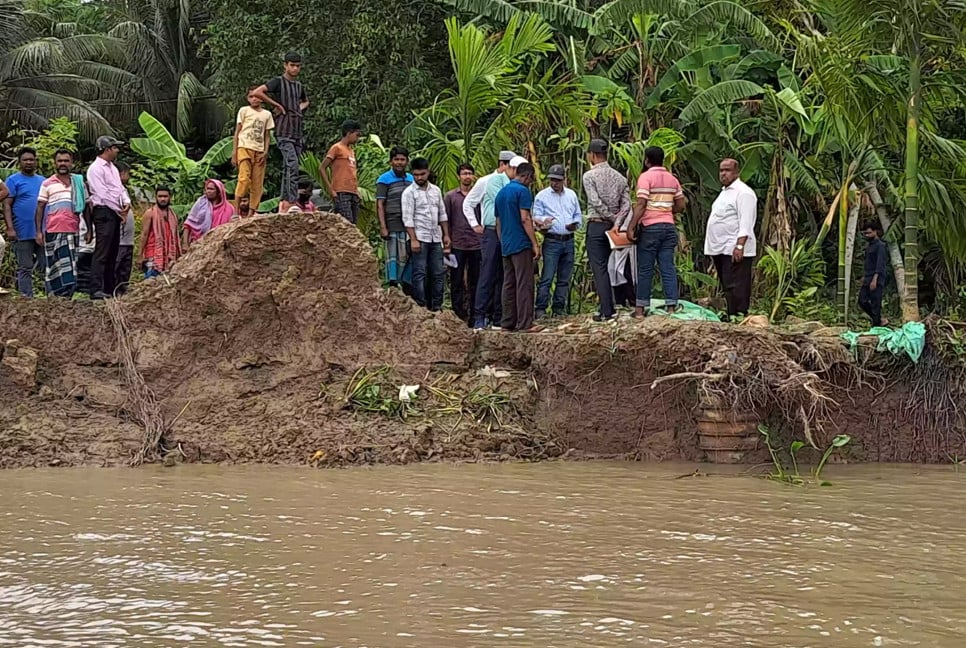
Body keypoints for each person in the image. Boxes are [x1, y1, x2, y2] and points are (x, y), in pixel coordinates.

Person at [464, 151, 525, 330]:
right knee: (487, 273)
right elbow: (469, 203)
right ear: (505, 165)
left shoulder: (516, 184)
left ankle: (499, 316)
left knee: (504, 275)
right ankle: (479, 316)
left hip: (507, 232)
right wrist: (475, 225)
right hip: (491, 231)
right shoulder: (487, 181)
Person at [626, 146, 686, 316]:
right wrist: (667, 211)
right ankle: (671, 306)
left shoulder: (645, 178)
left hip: (650, 228)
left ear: (646, 160)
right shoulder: (672, 179)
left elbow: (641, 204)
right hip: (668, 227)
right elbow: (681, 205)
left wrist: (631, 227)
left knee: (645, 269)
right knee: (667, 266)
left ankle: (639, 309)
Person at [252, 52, 308, 211]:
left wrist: (297, 109)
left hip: (297, 131)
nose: (295, 68)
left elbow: (306, 101)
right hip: (284, 131)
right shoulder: (278, 82)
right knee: (292, 164)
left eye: (298, 66)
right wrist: (277, 105)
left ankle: (284, 201)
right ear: (285, 65)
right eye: (292, 65)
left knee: (288, 167)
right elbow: (258, 92)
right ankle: (291, 200)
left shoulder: (298, 86)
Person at [582, 138, 630, 322]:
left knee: (599, 268)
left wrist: (610, 216)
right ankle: (613, 305)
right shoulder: (620, 177)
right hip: (613, 229)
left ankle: (606, 310)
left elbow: (594, 201)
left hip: (596, 224)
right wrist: (617, 222)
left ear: (592, 155)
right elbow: (626, 204)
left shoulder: (589, 176)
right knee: (610, 266)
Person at [705, 158, 758, 317]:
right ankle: (731, 314)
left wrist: (740, 245)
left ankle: (740, 314)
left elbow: (746, 222)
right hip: (720, 248)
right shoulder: (724, 193)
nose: (723, 174)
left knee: (738, 285)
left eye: (727, 170)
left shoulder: (744, 193)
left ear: (737, 172)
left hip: (734, 247)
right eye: (721, 170)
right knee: (727, 284)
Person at [33, 148, 89, 298]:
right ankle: (54, 298)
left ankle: (67, 297)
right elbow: (40, 208)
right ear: (55, 163)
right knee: (54, 265)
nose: (63, 164)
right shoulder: (47, 183)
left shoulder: (79, 183)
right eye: (60, 161)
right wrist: (38, 231)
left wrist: (89, 229)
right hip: (53, 230)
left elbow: (87, 207)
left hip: (73, 230)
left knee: (70, 267)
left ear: (72, 163)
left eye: (66, 161)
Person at [496, 162, 541, 332]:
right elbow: (525, 218)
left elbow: (498, 222)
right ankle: (525, 323)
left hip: (506, 243)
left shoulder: (501, 193)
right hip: (520, 242)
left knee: (509, 283)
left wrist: (502, 241)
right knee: (524, 283)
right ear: (527, 176)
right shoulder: (523, 191)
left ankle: (507, 322)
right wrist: (534, 243)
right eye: (531, 179)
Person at [533, 164, 582, 320]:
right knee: (547, 276)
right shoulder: (542, 196)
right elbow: (536, 216)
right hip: (552, 240)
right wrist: (543, 221)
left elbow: (578, 215)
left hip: (568, 240)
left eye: (558, 180)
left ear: (564, 180)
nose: (554, 183)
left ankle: (558, 308)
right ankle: (540, 308)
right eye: (552, 180)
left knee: (564, 278)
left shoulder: (571, 195)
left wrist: (574, 224)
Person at [401, 157, 449, 311]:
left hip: (435, 237)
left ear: (428, 172)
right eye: (416, 175)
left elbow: (442, 214)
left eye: (422, 174)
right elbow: (407, 218)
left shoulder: (436, 190)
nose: (419, 178)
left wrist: (446, 235)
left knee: (438, 273)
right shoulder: (409, 193)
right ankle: (421, 306)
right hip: (419, 237)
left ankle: (436, 306)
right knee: (419, 273)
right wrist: (413, 239)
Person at [87, 135, 129, 299]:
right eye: (115, 147)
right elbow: (101, 193)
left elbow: (119, 188)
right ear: (107, 149)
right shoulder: (95, 169)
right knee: (102, 251)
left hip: (114, 211)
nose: (117, 150)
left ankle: (109, 287)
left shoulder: (112, 168)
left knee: (112, 251)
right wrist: (119, 210)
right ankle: (96, 288)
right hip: (104, 211)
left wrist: (126, 202)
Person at [4, 148, 44, 297]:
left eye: (31, 159)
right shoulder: (13, 180)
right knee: (25, 267)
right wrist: (10, 228)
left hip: (41, 231)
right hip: (21, 231)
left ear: (35, 161)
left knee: (45, 265)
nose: (28, 162)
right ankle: (26, 298)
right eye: (25, 160)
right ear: (19, 162)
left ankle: (48, 297)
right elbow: (7, 205)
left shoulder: (43, 181)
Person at [445, 163, 482, 324]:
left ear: (473, 176)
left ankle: (475, 315)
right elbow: (445, 220)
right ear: (458, 176)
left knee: (476, 281)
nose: (467, 176)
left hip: (476, 245)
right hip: (456, 245)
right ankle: (458, 315)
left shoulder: (479, 196)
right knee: (456, 280)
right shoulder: (450, 196)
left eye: (469, 173)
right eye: (464, 173)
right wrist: (446, 241)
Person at [232, 86, 274, 213]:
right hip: (244, 147)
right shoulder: (244, 111)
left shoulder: (267, 114)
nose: (254, 99)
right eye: (251, 96)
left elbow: (267, 135)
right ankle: (235, 211)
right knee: (244, 178)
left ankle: (252, 212)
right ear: (247, 99)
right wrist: (234, 152)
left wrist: (266, 151)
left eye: (257, 96)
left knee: (257, 183)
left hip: (259, 151)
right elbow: (237, 131)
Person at [376, 146, 413, 287]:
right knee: (393, 257)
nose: (399, 162)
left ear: (407, 161)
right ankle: (393, 286)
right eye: (396, 159)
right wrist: (383, 227)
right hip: (392, 224)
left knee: (407, 256)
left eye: (402, 159)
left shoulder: (411, 179)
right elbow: (380, 204)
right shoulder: (384, 179)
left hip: (409, 226)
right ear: (391, 161)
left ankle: (406, 285)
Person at [321, 120, 362, 225]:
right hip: (341, 191)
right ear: (349, 133)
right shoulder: (337, 148)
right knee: (346, 223)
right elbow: (322, 168)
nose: (357, 138)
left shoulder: (351, 151)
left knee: (354, 225)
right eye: (356, 135)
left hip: (353, 191)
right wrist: (331, 190)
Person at [139, 186, 182, 279]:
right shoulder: (149, 213)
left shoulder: (173, 215)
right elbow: (144, 234)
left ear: (170, 197)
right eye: (160, 196)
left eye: (165, 196)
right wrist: (140, 255)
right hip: (153, 254)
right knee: (150, 283)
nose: (163, 199)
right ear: (156, 197)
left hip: (169, 255)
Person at [183, 179, 234, 246]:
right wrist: (185, 244)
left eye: (211, 189)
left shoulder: (229, 209)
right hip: (198, 244)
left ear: (219, 191)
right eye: (207, 189)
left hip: (219, 246)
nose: (208, 191)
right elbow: (188, 224)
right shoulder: (200, 203)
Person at [859, 220, 888, 327]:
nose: (867, 235)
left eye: (869, 233)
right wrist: (865, 276)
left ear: (875, 232)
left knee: (876, 302)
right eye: (865, 233)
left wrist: (875, 279)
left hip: (877, 278)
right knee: (862, 300)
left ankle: (877, 324)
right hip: (868, 277)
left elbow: (880, 264)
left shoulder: (880, 246)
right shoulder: (869, 246)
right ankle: (878, 319)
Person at [114, 162, 135, 296]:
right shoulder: (115, 191)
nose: (128, 176)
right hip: (119, 241)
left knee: (125, 269)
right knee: (116, 268)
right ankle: (113, 292)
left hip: (128, 241)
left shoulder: (124, 190)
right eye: (127, 173)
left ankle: (122, 292)